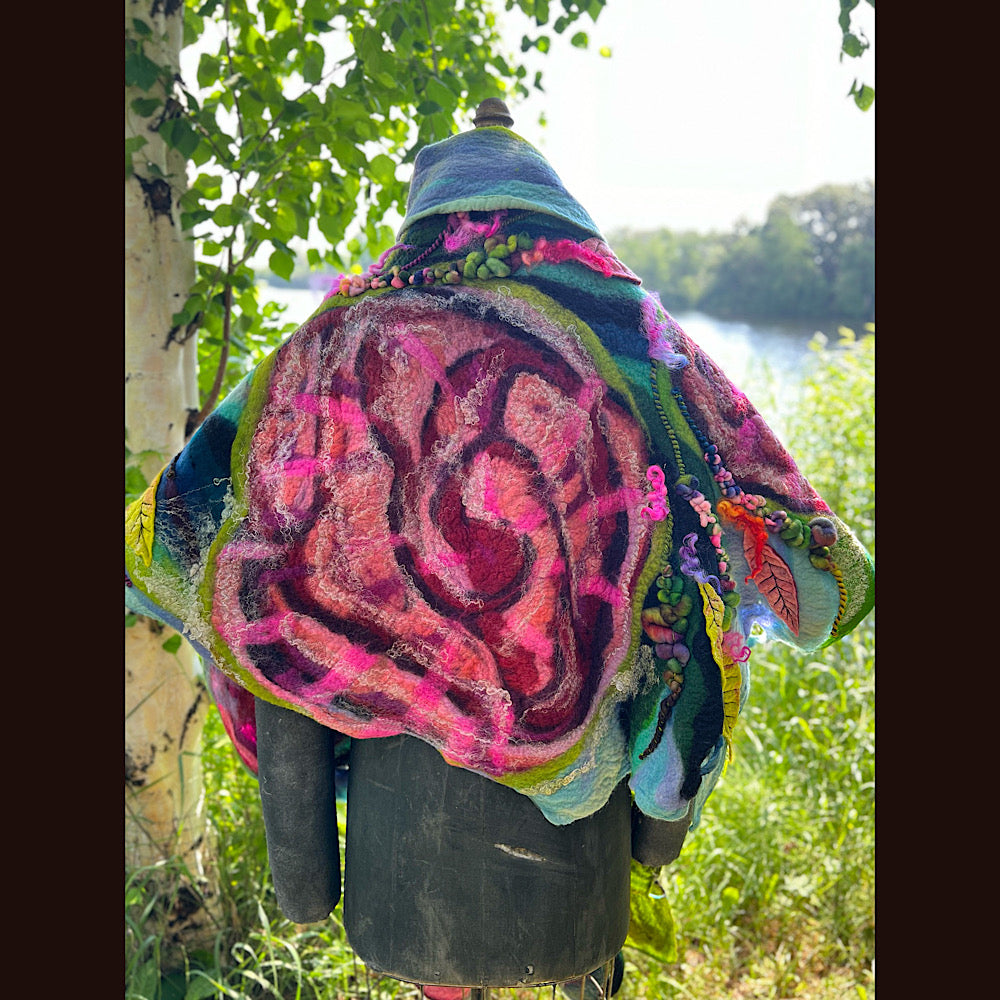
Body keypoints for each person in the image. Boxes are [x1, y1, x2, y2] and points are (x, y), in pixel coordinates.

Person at [126, 99, 874, 995]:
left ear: (430, 199)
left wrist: (303, 879)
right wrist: (658, 828)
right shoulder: (630, 328)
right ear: (546, 196)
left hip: (400, 850)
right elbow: (792, 534)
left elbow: (192, 527)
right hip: (576, 843)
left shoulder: (332, 335)